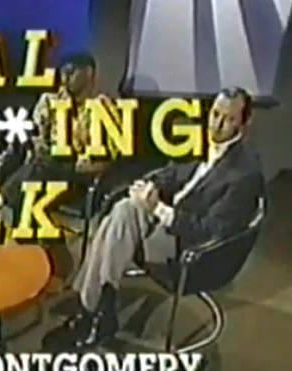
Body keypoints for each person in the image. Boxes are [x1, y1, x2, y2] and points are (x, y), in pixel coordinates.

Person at [66, 87, 265, 347]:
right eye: (215, 114)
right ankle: (99, 311)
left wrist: (159, 209)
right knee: (124, 211)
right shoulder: (208, 143)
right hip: (170, 223)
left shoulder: (244, 175)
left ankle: (90, 309)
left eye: (228, 119)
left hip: (192, 251)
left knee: (117, 225)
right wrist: (147, 185)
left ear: (244, 125)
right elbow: (177, 173)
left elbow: (210, 232)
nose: (217, 124)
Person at [0, 52, 120, 222]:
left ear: (88, 74)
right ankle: (5, 207)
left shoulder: (104, 107)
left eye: (71, 71)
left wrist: (79, 165)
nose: (65, 77)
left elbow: (109, 159)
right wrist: (40, 137)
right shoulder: (54, 101)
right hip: (48, 166)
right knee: (19, 151)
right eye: (63, 72)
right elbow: (39, 136)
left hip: (80, 172)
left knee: (45, 164)